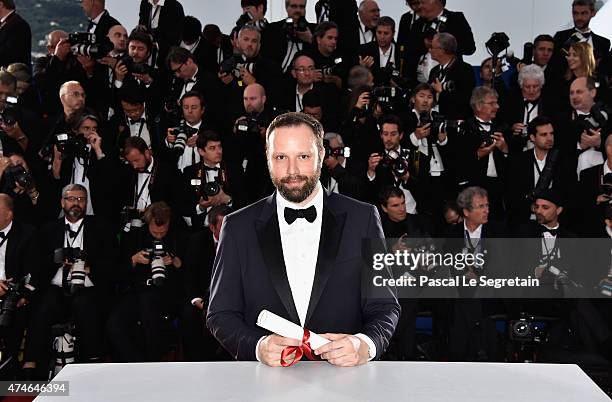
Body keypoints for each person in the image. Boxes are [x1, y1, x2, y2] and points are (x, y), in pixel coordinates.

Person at [207, 112, 399, 365]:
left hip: (345, 379)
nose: (292, 170)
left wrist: (364, 344)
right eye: (281, 157)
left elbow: (385, 306)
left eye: (304, 156)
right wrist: (257, 347)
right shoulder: (237, 226)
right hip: (265, 382)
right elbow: (221, 314)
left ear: (321, 154)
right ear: (267, 158)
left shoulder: (362, 218)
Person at [0, 0, 31, 68]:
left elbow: (11, 55)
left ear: (1, 4)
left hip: (12, 76)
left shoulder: (18, 25)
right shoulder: (7, 23)